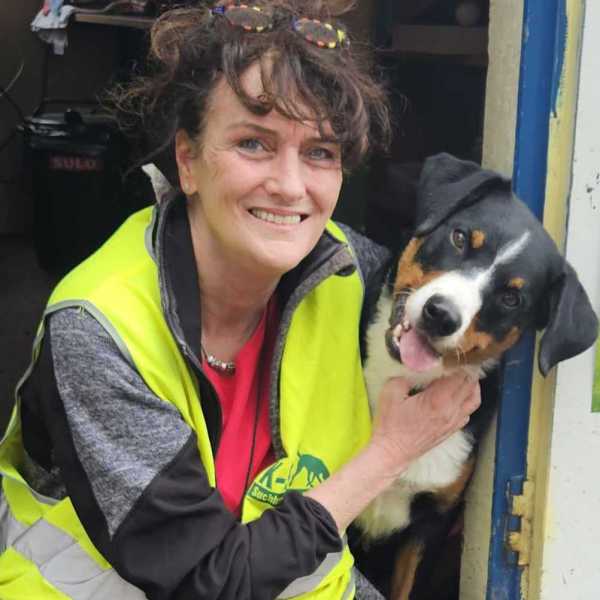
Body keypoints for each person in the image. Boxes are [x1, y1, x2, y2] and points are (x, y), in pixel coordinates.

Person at [0, 1, 480, 598]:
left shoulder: (349, 272)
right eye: (254, 143)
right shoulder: (101, 329)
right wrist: (390, 453)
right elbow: (212, 580)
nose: (290, 185)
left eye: (320, 152)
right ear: (188, 160)